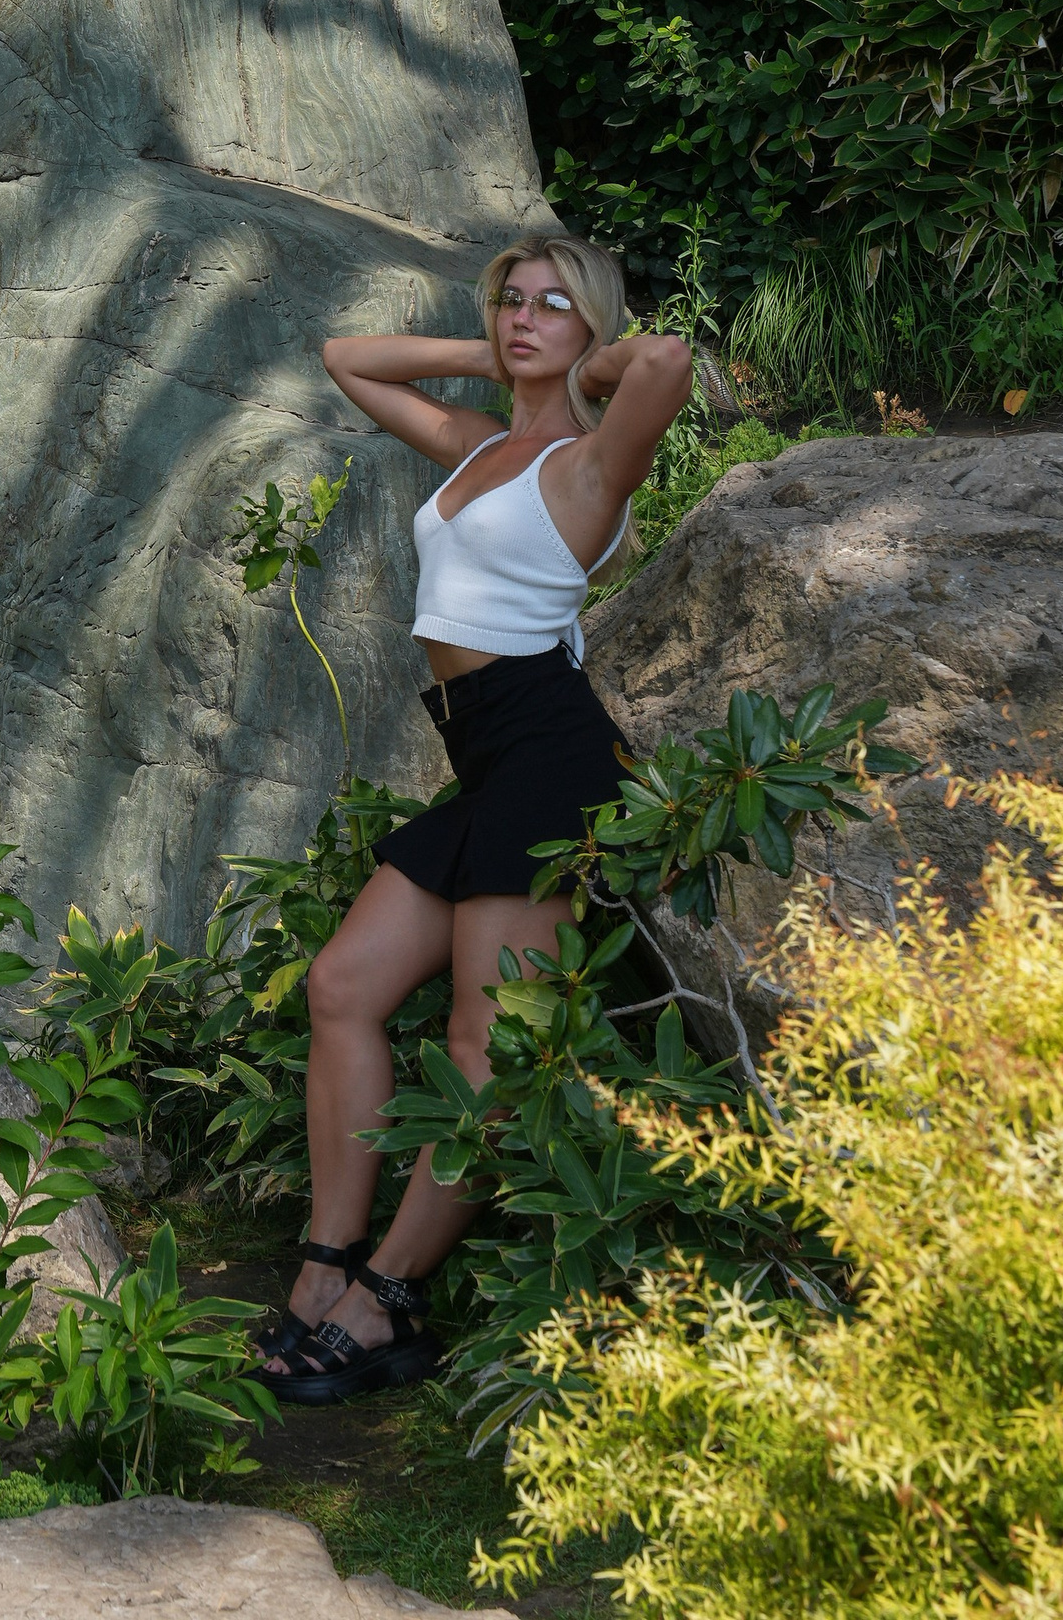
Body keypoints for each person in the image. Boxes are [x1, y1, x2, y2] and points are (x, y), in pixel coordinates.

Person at [260, 233, 694, 1406]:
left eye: (552, 303)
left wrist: (580, 359)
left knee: (483, 1044)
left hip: (551, 752)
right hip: (484, 755)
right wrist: (510, 354)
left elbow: (667, 360)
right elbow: (349, 357)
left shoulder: (587, 464)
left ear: (591, 325)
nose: (523, 316)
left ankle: (389, 1300)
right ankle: (326, 1260)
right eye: (510, 300)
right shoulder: (486, 443)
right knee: (343, 988)